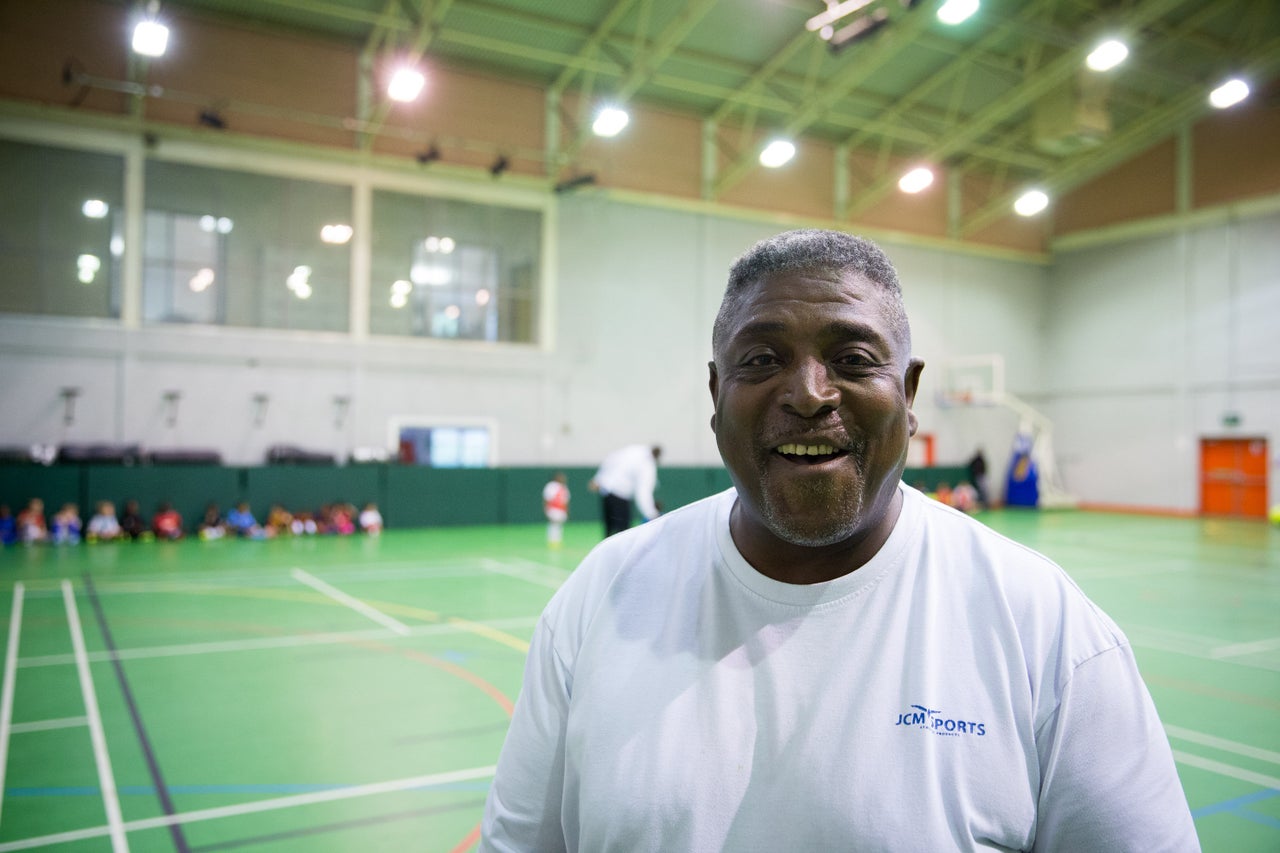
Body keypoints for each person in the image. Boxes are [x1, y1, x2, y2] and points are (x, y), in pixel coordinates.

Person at [480, 230, 1198, 852]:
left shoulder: (1046, 629)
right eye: (761, 360)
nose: (809, 394)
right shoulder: (600, 597)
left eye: (853, 358)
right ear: (714, 393)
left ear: (909, 394)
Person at [589, 444, 662, 537]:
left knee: (609, 532)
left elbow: (610, 459)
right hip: (621, 497)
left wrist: (598, 479)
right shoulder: (647, 464)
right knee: (623, 534)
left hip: (607, 492)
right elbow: (643, 493)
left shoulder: (634, 450)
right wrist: (652, 514)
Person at [542, 472, 570, 549]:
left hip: (561, 509)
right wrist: (546, 509)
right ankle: (552, 542)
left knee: (559, 526)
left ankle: (557, 541)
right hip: (553, 509)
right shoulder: (551, 486)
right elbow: (547, 499)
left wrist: (566, 511)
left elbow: (566, 501)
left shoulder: (564, 487)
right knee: (553, 525)